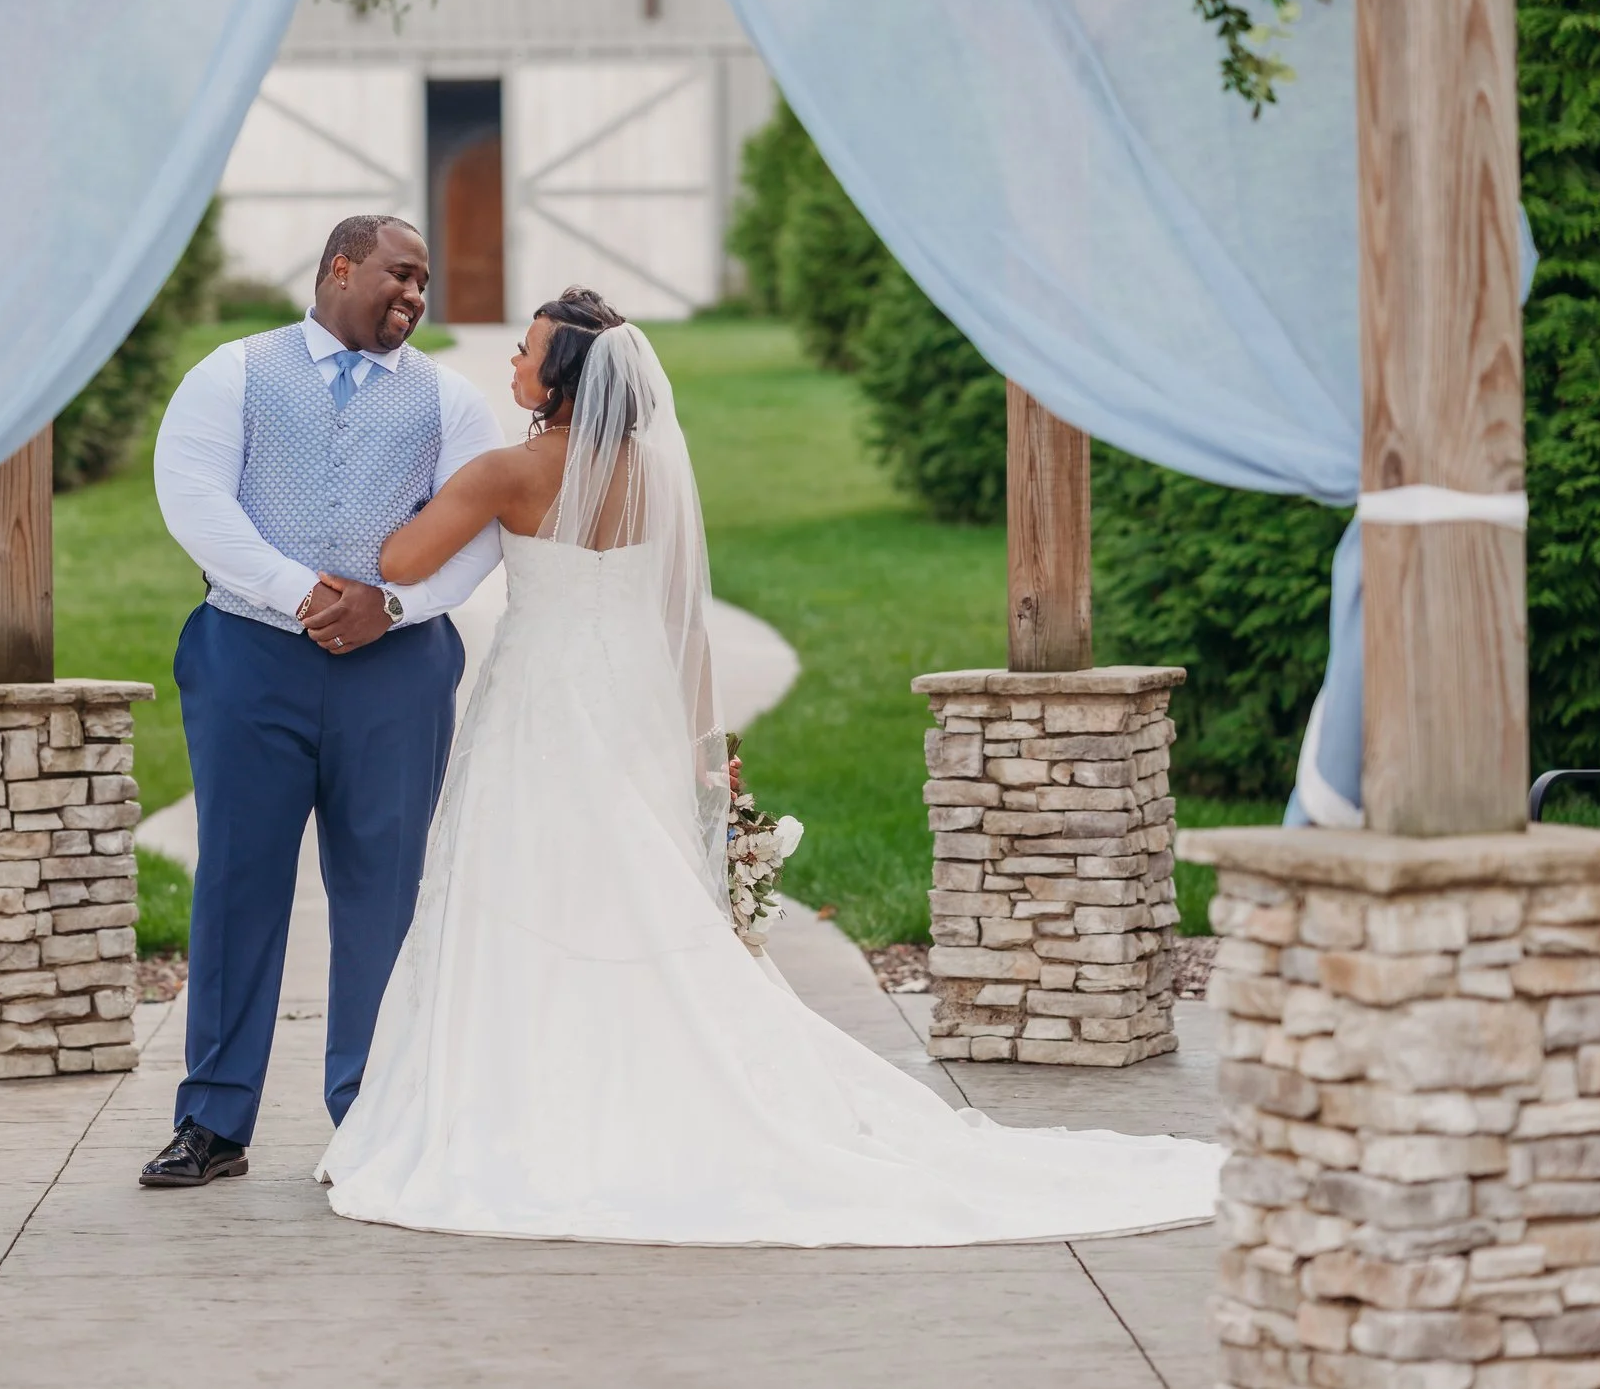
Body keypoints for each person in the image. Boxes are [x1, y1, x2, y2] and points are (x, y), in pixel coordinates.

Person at [316, 288, 1226, 1246]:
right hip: (633, 700)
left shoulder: (505, 470)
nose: (512, 366)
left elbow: (401, 558)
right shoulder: (659, 478)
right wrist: (709, 755)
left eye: (528, 351)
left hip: (542, 699)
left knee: (528, 882)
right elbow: (684, 628)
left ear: (564, 379)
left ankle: (532, 1094)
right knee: (633, 885)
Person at [140, 214, 503, 1188]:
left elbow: (478, 530)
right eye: (399, 275)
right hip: (249, 657)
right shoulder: (235, 372)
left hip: (396, 669)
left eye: (424, 284)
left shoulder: (448, 401)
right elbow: (194, 499)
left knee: (381, 890)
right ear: (338, 267)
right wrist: (300, 591)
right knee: (235, 882)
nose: (414, 298)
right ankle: (213, 1121)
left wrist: (393, 603)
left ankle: (372, 1116)